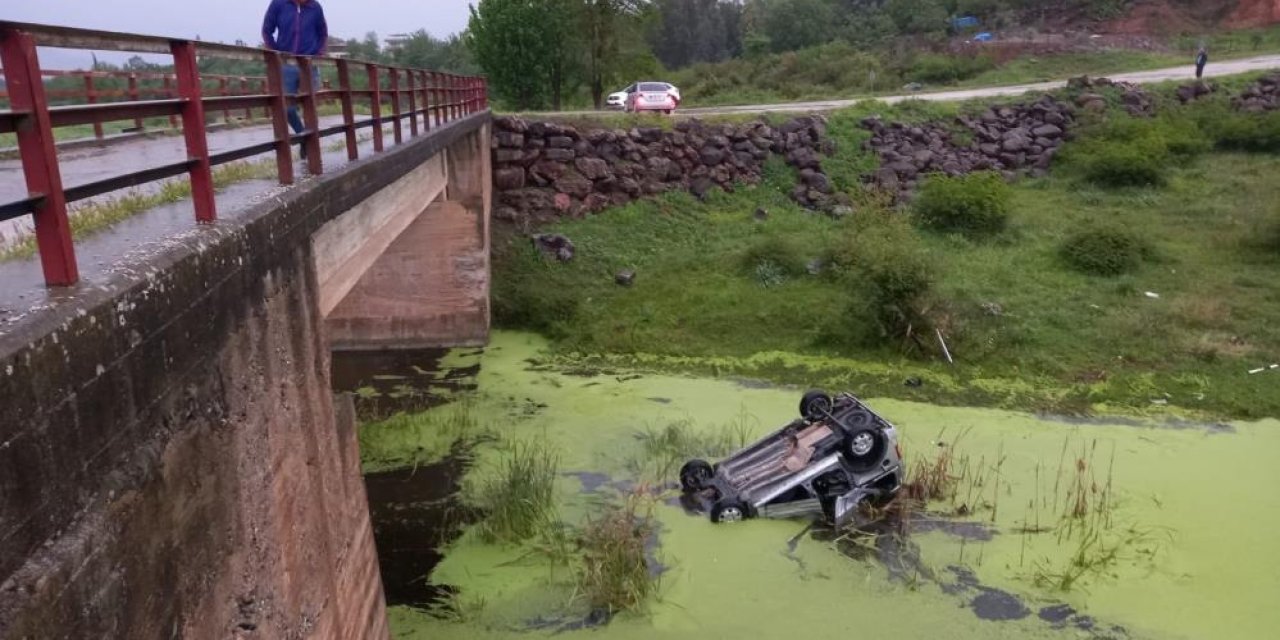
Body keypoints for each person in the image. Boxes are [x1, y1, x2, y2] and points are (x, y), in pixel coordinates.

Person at [262, 0, 328, 157]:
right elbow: (267, 30)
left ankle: (312, 152)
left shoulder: (315, 7)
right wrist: (275, 52)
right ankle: (303, 135)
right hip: (286, 65)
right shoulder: (278, 4)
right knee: (286, 108)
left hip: (309, 65)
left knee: (310, 107)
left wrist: (318, 54)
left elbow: (322, 33)